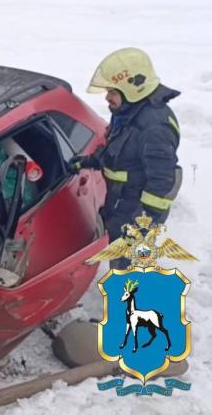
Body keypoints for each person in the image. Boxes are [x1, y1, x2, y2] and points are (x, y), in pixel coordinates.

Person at [70, 48, 182, 269]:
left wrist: (143, 222)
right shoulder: (129, 113)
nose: (107, 97)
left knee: (126, 264)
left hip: (135, 209)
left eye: (113, 91)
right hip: (122, 201)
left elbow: (162, 181)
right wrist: (88, 162)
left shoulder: (154, 127)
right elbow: (118, 152)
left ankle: (129, 301)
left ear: (133, 87)